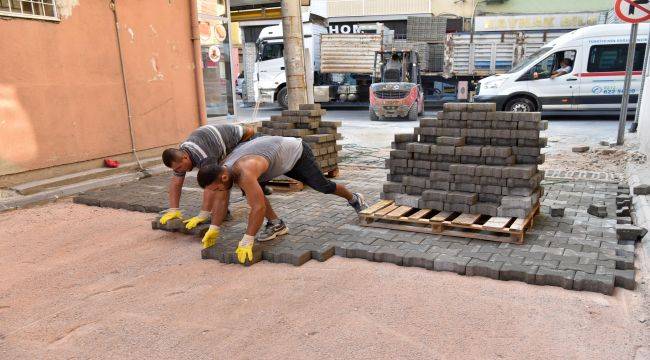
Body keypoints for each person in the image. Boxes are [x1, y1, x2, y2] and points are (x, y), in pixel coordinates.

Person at [195, 135, 368, 263]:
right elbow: (221, 200)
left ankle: (354, 198)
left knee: (323, 186)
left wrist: (248, 239)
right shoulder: (224, 170)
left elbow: (258, 208)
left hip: (296, 153)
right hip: (273, 157)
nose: (217, 191)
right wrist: (214, 227)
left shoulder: (244, 172)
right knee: (253, 192)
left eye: (216, 187)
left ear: (223, 178)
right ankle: (277, 224)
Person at [158, 124, 255, 230]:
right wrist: (173, 209)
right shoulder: (181, 156)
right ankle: (222, 212)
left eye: (180, 167)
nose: (180, 171)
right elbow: (176, 182)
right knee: (220, 177)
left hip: (243, 136)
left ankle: (258, 186)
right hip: (213, 142)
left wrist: (203, 214)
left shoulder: (204, 156)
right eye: (176, 169)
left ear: (185, 158)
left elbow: (211, 185)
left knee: (231, 175)